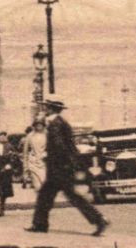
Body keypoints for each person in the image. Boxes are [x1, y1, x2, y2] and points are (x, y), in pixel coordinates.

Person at [28, 95, 108, 236]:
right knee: (47, 196)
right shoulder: (60, 122)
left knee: (67, 197)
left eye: (46, 106)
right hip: (61, 167)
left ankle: (99, 220)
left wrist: (50, 157)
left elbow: (60, 146)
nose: (44, 108)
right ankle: (39, 224)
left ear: (50, 108)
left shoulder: (55, 124)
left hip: (59, 168)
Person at [21, 118, 49, 190]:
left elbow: (52, 148)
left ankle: (44, 200)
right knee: (37, 186)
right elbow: (25, 151)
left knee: (45, 185)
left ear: (43, 125)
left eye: (41, 124)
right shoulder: (30, 136)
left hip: (44, 162)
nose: (39, 126)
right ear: (34, 125)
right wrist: (25, 166)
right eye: (37, 125)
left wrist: (46, 154)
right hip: (33, 162)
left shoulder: (48, 135)